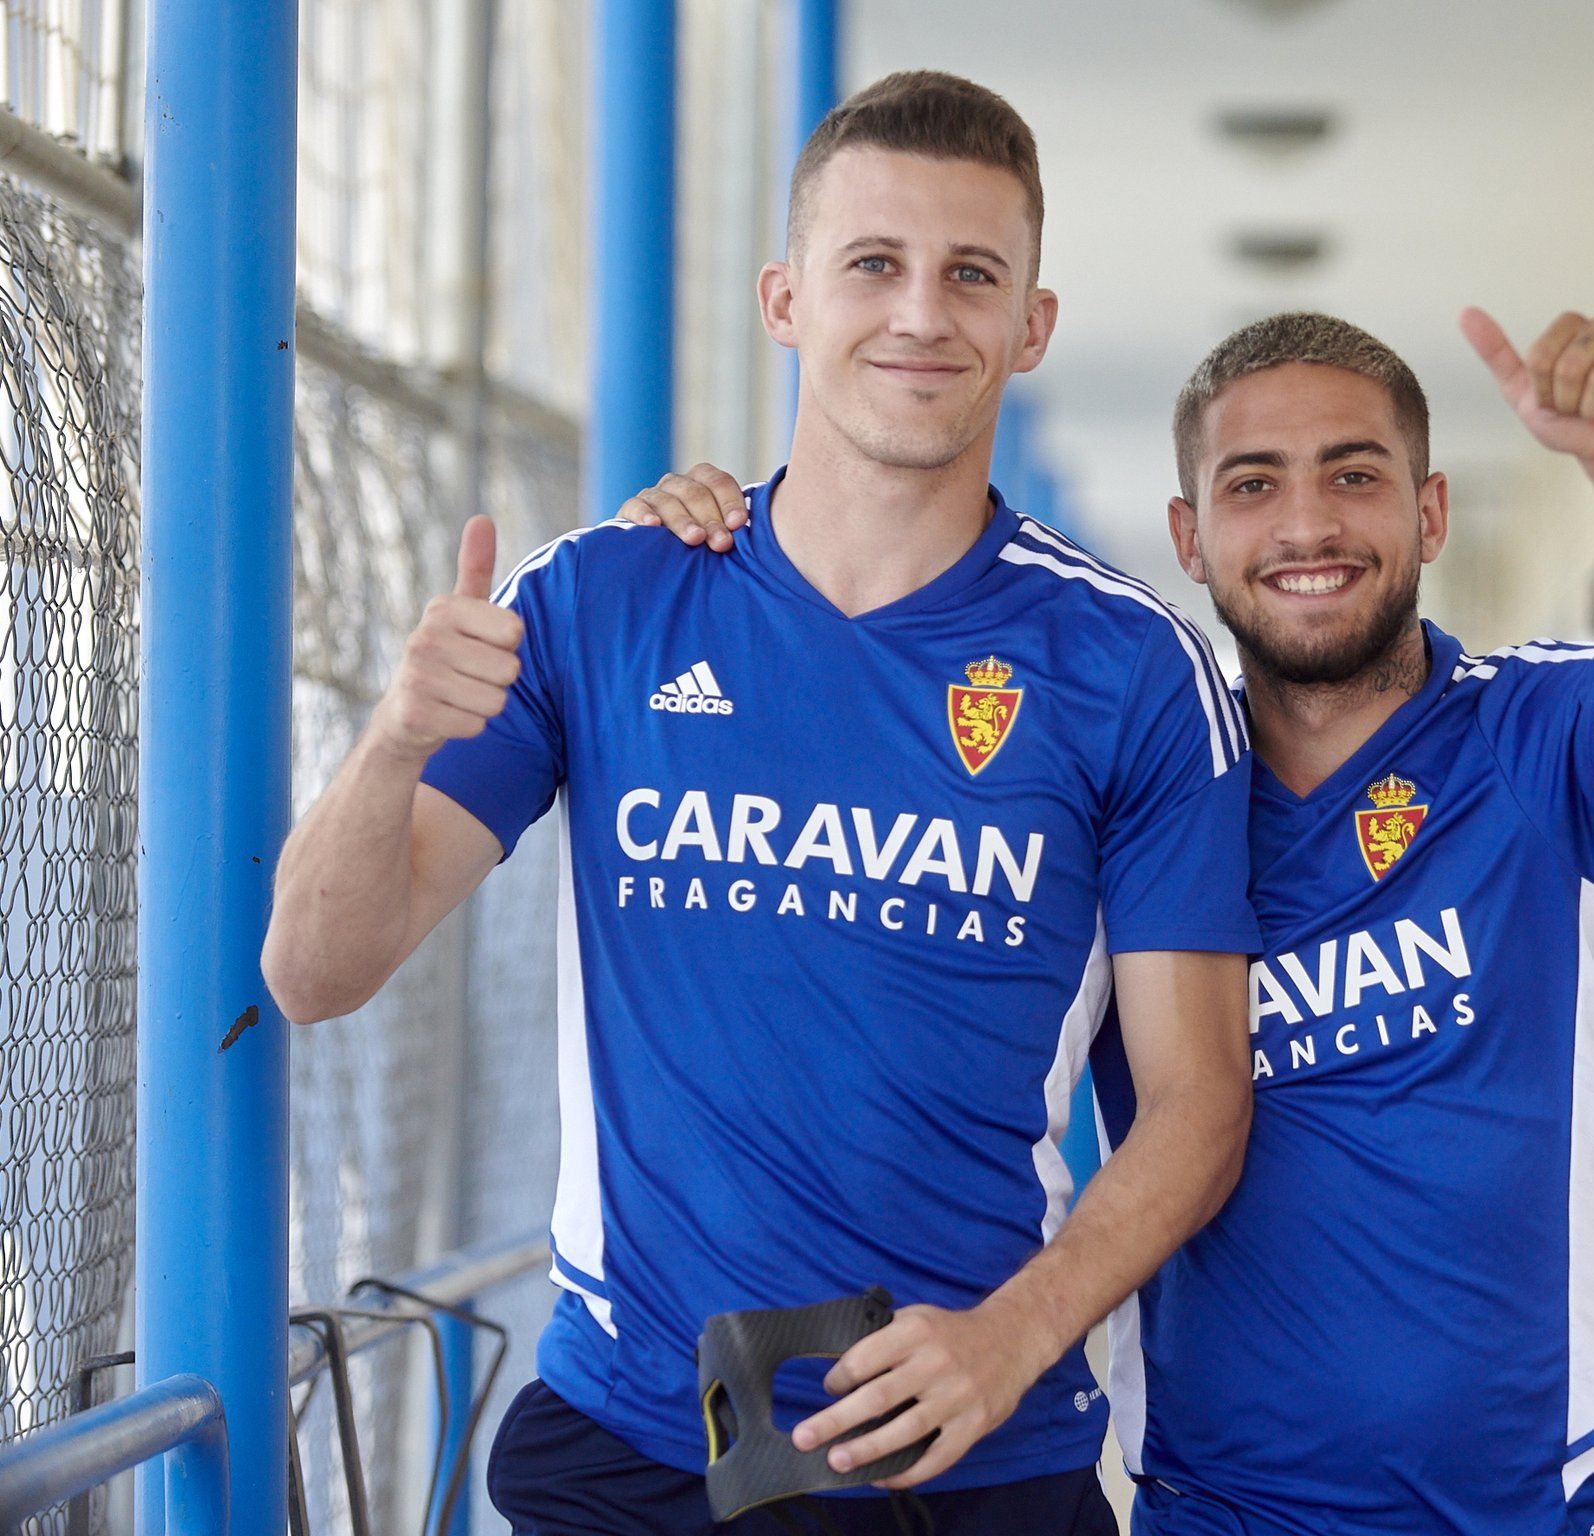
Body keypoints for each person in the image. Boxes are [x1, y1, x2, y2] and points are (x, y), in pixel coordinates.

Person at [261, 71, 1259, 1536]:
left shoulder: (1130, 668)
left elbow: (1195, 1105)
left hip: (965, 1456)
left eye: (969, 274)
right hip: (635, 1447)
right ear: (784, 299)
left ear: (1029, 323)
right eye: (873, 265)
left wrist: (1007, 1340)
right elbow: (311, 969)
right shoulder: (602, 602)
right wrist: (398, 737)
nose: (919, 312)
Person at [649, 306, 1594, 1535]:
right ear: (1188, 536)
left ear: (1430, 511)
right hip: (1210, 1511)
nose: (1307, 524)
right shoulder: (1140, 798)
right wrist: (723, 542)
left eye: (1355, 474)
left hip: (1542, 1509)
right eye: (1253, 484)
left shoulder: (1535, 736)